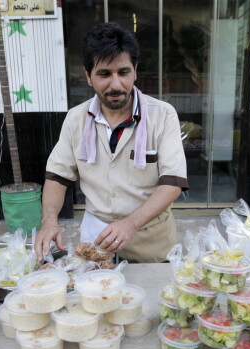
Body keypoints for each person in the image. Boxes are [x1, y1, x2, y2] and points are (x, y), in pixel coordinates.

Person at [35, 22, 188, 263]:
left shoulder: (163, 115)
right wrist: (49, 220)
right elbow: (57, 175)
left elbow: (173, 183)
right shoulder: (76, 118)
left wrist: (130, 224)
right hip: (96, 240)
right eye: (104, 74)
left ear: (135, 70)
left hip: (151, 241)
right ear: (88, 76)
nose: (115, 85)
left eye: (123, 72)